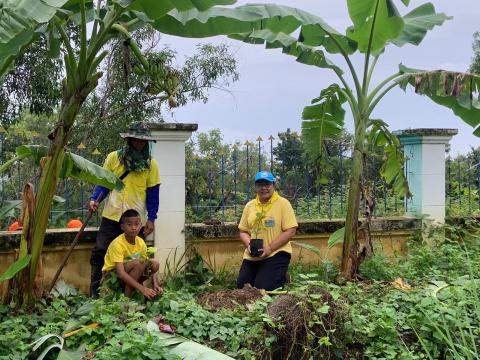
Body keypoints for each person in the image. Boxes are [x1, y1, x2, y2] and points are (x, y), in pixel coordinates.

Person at [89, 122, 160, 298]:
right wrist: (94, 199)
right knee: (100, 252)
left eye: (142, 141)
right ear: (129, 140)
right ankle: (95, 293)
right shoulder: (114, 158)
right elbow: (104, 182)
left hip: (135, 219)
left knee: (138, 259)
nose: (139, 144)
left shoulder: (151, 165)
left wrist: (151, 218)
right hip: (112, 215)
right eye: (135, 140)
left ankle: (132, 294)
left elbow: (153, 193)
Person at [237, 170, 298, 291]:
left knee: (264, 289)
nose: (263, 188)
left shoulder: (283, 204)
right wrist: (249, 245)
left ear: (273, 186)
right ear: (255, 187)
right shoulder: (250, 205)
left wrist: (269, 248)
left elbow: (291, 230)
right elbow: (243, 231)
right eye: (260, 184)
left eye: (267, 184)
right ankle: (270, 275)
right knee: (242, 288)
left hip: (276, 252)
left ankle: (282, 277)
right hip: (253, 254)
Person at [102, 209, 162, 299]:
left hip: (130, 273)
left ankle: (135, 291)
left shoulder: (140, 242)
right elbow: (120, 272)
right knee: (140, 263)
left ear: (141, 225)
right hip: (112, 276)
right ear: (122, 227)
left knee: (154, 263)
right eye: (129, 225)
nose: (134, 227)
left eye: (136, 224)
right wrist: (143, 289)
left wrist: (155, 284)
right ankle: (127, 299)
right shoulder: (117, 243)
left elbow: (148, 264)